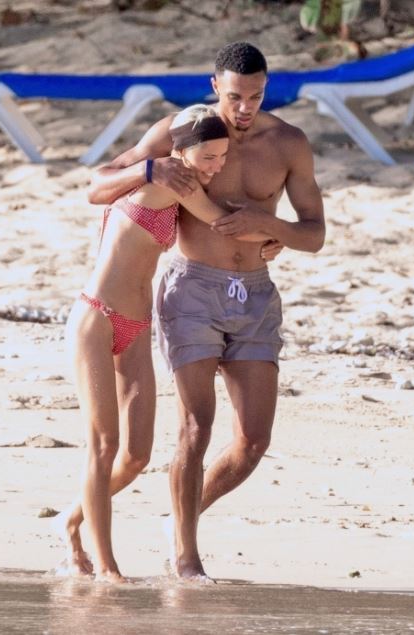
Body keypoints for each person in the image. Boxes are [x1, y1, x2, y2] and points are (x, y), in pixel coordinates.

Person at [87, 42, 326, 581]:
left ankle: (180, 521)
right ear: (215, 85)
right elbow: (99, 182)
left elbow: (315, 232)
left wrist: (272, 229)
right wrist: (148, 168)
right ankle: (186, 557)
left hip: (255, 296)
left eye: (257, 96)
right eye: (236, 96)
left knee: (253, 441)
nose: (244, 108)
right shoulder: (184, 131)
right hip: (192, 289)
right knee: (196, 425)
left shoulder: (288, 142)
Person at [62, 104, 272, 583]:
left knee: (135, 456)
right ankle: (105, 568)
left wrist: (265, 244)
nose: (217, 167)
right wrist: (282, 233)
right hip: (96, 319)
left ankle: (70, 521)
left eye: (222, 157)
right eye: (209, 158)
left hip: (136, 324)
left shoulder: (177, 179)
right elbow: (221, 221)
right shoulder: (170, 182)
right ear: (180, 154)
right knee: (103, 444)